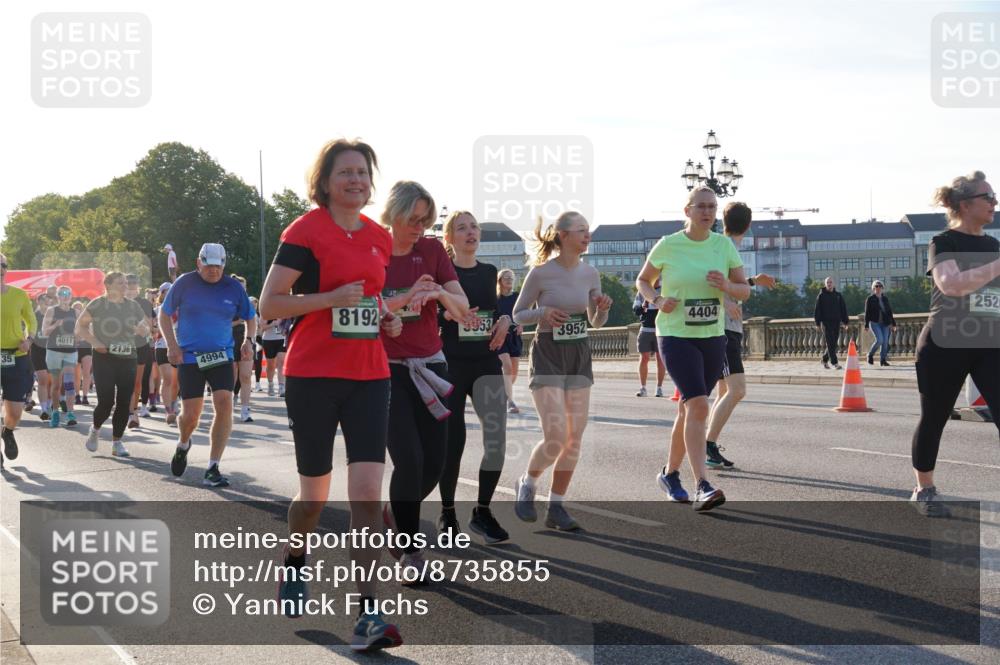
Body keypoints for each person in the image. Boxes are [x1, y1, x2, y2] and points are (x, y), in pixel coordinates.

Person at [261, 138, 404, 651]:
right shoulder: (306, 230)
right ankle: (295, 559)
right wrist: (329, 299)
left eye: (363, 173)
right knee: (314, 497)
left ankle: (369, 613)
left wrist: (383, 317)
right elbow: (270, 304)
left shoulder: (379, 237)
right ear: (325, 181)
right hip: (313, 376)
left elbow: (370, 297)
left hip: (370, 375)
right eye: (345, 172)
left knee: (367, 494)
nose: (356, 181)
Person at [635, 186, 748, 512]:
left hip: (712, 337)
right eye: (701, 206)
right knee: (698, 406)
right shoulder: (669, 245)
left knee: (688, 410)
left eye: (712, 207)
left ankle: (669, 475)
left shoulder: (723, 245)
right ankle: (702, 484)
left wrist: (727, 286)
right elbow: (643, 280)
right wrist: (656, 300)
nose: (707, 212)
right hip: (675, 335)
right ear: (687, 211)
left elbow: (743, 291)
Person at [381, 180, 469, 575]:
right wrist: (391, 312)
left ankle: (394, 511)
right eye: (412, 219)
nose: (419, 228)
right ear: (393, 214)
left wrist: (437, 296)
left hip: (432, 368)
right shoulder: (373, 250)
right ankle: (410, 553)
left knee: (435, 464)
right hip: (385, 372)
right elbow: (360, 305)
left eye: (426, 220)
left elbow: (462, 307)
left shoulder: (432, 250)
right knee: (410, 461)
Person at [513, 212, 612, 530]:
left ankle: (556, 506)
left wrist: (602, 309)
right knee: (555, 436)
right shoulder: (541, 274)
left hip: (579, 355)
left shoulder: (591, 273)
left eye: (589, 230)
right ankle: (527, 483)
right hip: (548, 353)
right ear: (563, 235)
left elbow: (596, 323)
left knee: (574, 439)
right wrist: (543, 312)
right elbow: (518, 314)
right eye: (581, 231)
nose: (588, 236)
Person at [910, 170, 1000, 516]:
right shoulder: (943, 243)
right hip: (944, 342)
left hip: (987, 342)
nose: (994, 203)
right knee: (934, 417)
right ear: (965, 204)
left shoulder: (992, 245)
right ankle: (924, 488)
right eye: (988, 197)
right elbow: (952, 286)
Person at [436, 210, 511, 543]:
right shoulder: (442, 272)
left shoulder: (489, 271)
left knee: (496, 440)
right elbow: (430, 312)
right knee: (453, 444)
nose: (470, 232)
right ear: (450, 238)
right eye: (461, 228)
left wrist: (505, 322)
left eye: (474, 227)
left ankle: (482, 511)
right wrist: (447, 314)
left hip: (485, 362)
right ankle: (448, 513)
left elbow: (494, 312)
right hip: (451, 363)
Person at [159, 243, 255, 488]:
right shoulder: (184, 283)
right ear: (199, 263)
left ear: (224, 265)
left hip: (221, 355)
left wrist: (248, 340)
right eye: (209, 265)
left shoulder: (233, 287)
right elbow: (164, 313)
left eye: (218, 266)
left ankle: (213, 466)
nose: (214, 271)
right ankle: (183, 443)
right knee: (191, 416)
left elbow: (250, 316)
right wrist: (172, 345)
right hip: (190, 357)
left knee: (224, 403)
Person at [704, 202, 776, 468]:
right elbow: (708, 280)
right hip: (721, 329)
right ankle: (707, 444)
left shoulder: (725, 247)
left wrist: (754, 281)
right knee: (737, 390)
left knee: (724, 390)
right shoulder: (723, 247)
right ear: (748, 225)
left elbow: (728, 283)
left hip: (727, 328)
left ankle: (708, 444)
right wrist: (726, 302)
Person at [76, 272, 150, 457]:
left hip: (128, 358)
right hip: (104, 358)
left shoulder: (133, 306)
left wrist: (143, 329)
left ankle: (117, 442)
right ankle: (95, 429)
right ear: (108, 285)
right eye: (120, 283)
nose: (125, 286)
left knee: (125, 402)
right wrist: (95, 343)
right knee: (106, 402)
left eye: (126, 283)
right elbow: (80, 327)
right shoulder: (98, 304)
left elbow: (146, 328)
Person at [1, 253, 37, 469]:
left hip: (16, 356)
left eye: (3, 265)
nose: (0, 268)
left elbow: (31, 319)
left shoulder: (19, 295)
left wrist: (30, 339)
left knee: (14, 412)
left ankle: (8, 431)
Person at [41, 286, 79, 427]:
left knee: (69, 383)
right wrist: (56, 324)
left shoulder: (76, 312)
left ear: (71, 296)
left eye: (68, 294)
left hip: (70, 352)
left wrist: (78, 335)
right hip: (54, 352)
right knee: (56, 385)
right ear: (58, 296)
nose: (65, 296)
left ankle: (70, 413)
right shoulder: (52, 311)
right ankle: (55, 412)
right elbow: (44, 332)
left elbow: (82, 331)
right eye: (62, 294)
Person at [125, 275, 155, 428]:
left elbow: (149, 326)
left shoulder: (144, 303)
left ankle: (133, 413)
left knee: (137, 383)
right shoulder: (117, 302)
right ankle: (124, 408)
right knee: (123, 382)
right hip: (121, 346)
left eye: (134, 285)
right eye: (128, 284)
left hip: (140, 345)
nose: (131, 288)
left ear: (138, 286)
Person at [496, 269, 524, 413]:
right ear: (500, 280)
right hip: (501, 338)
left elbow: (522, 313)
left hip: (515, 336)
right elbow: (492, 317)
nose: (509, 280)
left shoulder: (517, 297)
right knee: (506, 366)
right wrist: (499, 327)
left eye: (511, 278)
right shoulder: (495, 299)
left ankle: (504, 393)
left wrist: (521, 324)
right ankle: (510, 401)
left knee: (513, 373)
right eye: (506, 278)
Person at [153, 283, 180, 426]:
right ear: (162, 294)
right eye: (167, 291)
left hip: (179, 347)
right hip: (162, 346)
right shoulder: (157, 310)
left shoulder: (181, 309)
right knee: (168, 378)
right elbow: (151, 328)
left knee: (177, 381)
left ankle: (174, 403)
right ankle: (168, 410)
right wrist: (155, 327)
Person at [229, 275, 255, 422]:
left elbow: (252, 322)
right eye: (240, 287)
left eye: (244, 287)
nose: (243, 290)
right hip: (229, 341)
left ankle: (245, 410)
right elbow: (222, 325)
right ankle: (229, 405)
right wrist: (238, 321)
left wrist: (249, 341)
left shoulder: (247, 304)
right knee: (231, 376)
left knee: (245, 376)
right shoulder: (225, 303)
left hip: (245, 341)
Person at [633, 282, 665, 398]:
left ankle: (659, 388)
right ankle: (643, 388)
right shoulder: (642, 291)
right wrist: (643, 305)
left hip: (661, 330)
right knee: (644, 358)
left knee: (660, 359)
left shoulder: (665, 289)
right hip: (645, 329)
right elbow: (636, 310)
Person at [814, 276, 849, 370]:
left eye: (831, 282)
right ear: (825, 284)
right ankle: (835, 363)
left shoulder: (838, 295)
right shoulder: (821, 296)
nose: (829, 284)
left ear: (834, 284)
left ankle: (824, 359)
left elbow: (843, 309)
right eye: (827, 282)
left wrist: (845, 322)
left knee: (833, 344)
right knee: (830, 343)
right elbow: (817, 310)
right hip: (825, 323)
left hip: (836, 322)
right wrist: (817, 323)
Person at [864, 280, 896, 366]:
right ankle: (870, 355)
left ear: (882, 288)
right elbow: (867, 313)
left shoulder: (885, 299)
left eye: (880, 286)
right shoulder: (870, 299)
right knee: (880, 340)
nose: (878, 288)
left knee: (885, 342)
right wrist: (866, 324)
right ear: (873, 288)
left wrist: (893, 324)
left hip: (885, 323)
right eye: (876, 286)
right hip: (874, 323)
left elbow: (889, 312)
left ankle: (883, 360)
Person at [30, 294, 52, 421]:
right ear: (38, 301)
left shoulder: (53, 315)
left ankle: (48, 407)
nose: (47, 303)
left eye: (49, 301)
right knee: (43, 380)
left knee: (51, 382)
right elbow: (28, 332)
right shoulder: (33, 315)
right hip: (37, 351)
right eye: (44, 300)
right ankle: (43, 410)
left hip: (52, 351)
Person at [259, 316, 288, 396]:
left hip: (282, 339)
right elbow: (262, 327)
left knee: (281, 362)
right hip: (268, 340)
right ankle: (270, 384)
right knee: (271, 365)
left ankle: (281, 387)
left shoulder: (283, 311)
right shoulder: (267, 311)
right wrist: (273, 323)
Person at [73, 301, 93, 406]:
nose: (78, 310)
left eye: (80, 308)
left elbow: (91, 333)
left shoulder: (87, 320)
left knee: (86, 373)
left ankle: (85, 396)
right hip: (75, 348)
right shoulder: (70, 321)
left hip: (86, 347)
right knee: (76, 375)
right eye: (76, 308)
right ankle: (77, 396)